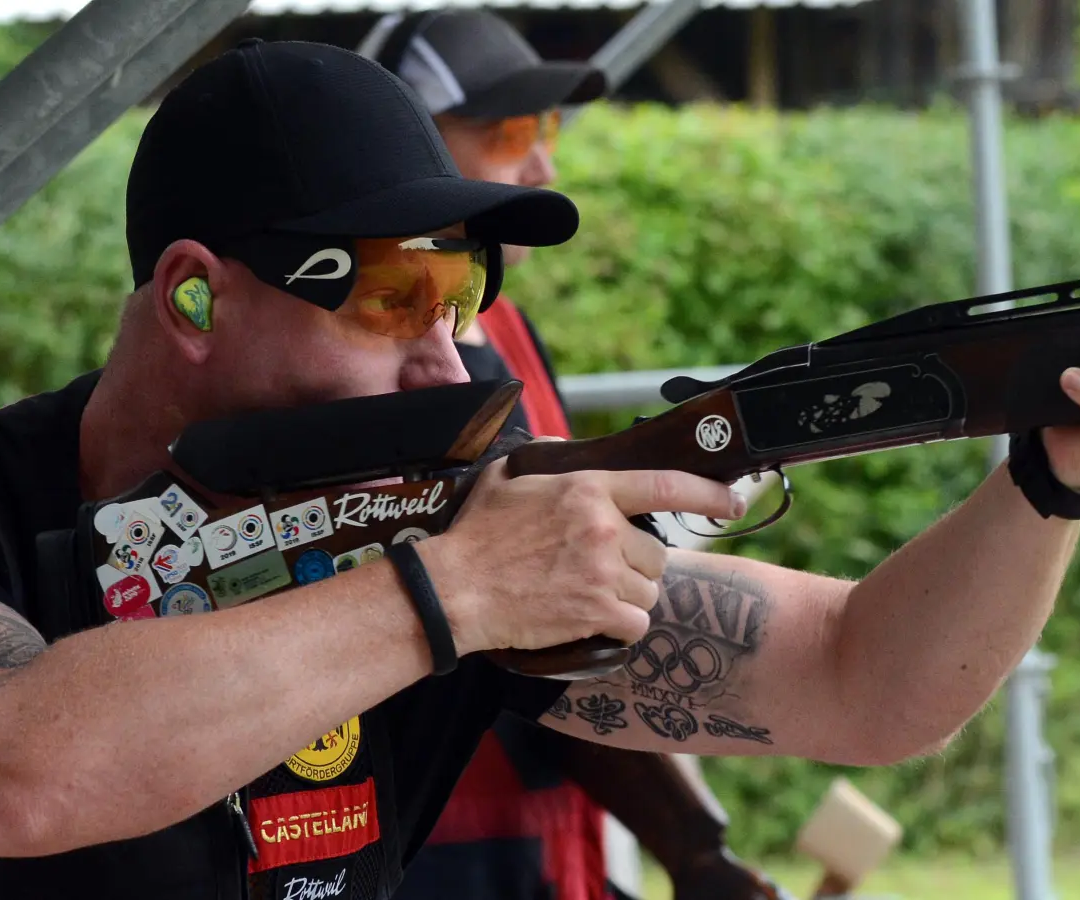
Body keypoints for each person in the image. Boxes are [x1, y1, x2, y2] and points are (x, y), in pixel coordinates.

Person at [0, 38, 1080, 900]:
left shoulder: (433, 525)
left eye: (466, 294)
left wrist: (1049, 487)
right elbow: (19, 772)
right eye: (394, 295)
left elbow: (867, 683)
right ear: (196, 299)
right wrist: (448, 595)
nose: (448, 356)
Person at [359, 11, 780, 900]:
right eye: (511, 133)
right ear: (409, 142)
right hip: (426, 842)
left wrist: (692, 850)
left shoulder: (509, 326)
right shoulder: (374, 361)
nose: (543, 165)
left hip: (547, 834)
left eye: (545, 128)